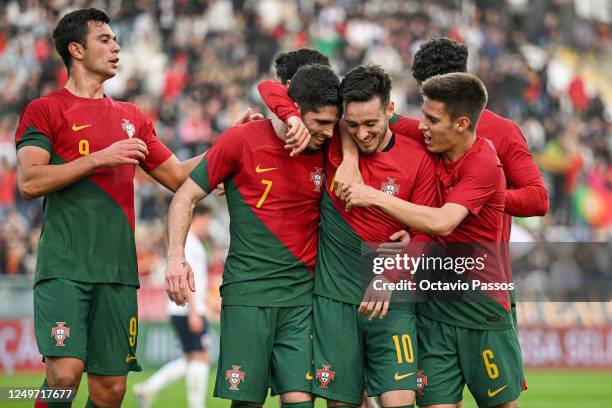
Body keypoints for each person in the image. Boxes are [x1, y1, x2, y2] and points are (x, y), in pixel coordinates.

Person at [14, 8, 253, 408]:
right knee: (64, 373)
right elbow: (29, 181)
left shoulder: (131, 117)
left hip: (119, 272)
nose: (116, 46)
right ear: (76, 49)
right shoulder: (46, 109)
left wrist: (231, 143)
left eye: (115, 39)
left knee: (111, 391)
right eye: (104, 39)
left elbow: (178, 176)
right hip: (64, 267)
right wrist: (98, 158)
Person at [258, 64, 439, 408]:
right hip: (334, 301)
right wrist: (294, 120)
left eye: (371, 123)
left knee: (399, 400)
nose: (363, 133)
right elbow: (269, 87)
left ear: (390, 110)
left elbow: (424, 235)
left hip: (392, 300)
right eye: (352, 125)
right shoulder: (332, 146)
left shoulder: (418, 159)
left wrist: (390, 274)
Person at [166, 63, 341, 408]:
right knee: (247, 402)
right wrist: (175, 256)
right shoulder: (240, 140)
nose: (329, 132)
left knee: (301, 400)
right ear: (295, 111)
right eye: (320, 123)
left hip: (302, 299)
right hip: (247, 295)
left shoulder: (328, 149)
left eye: (333, 124)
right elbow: (184, 195)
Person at [343, 73, 522, 408]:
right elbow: (352, 120)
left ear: (461, 124)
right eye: (423, 114)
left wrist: (375, 197)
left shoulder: (484, 163)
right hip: (433, 306)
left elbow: (442, 222)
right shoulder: (432, 138)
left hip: (479, 305)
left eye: (431, 118)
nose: (420, 125)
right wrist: (350, 160)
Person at [133, 204, 213, 408]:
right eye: (208, 221)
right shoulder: (191, 244)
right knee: (201, 357)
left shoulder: (188, 243)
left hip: (181, 310)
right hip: (188, 310)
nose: (209, 227)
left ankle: (147, 389)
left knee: (190, 359)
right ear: (200, 217)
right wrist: (195, 312)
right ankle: (196, 405)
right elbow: (188, 281)